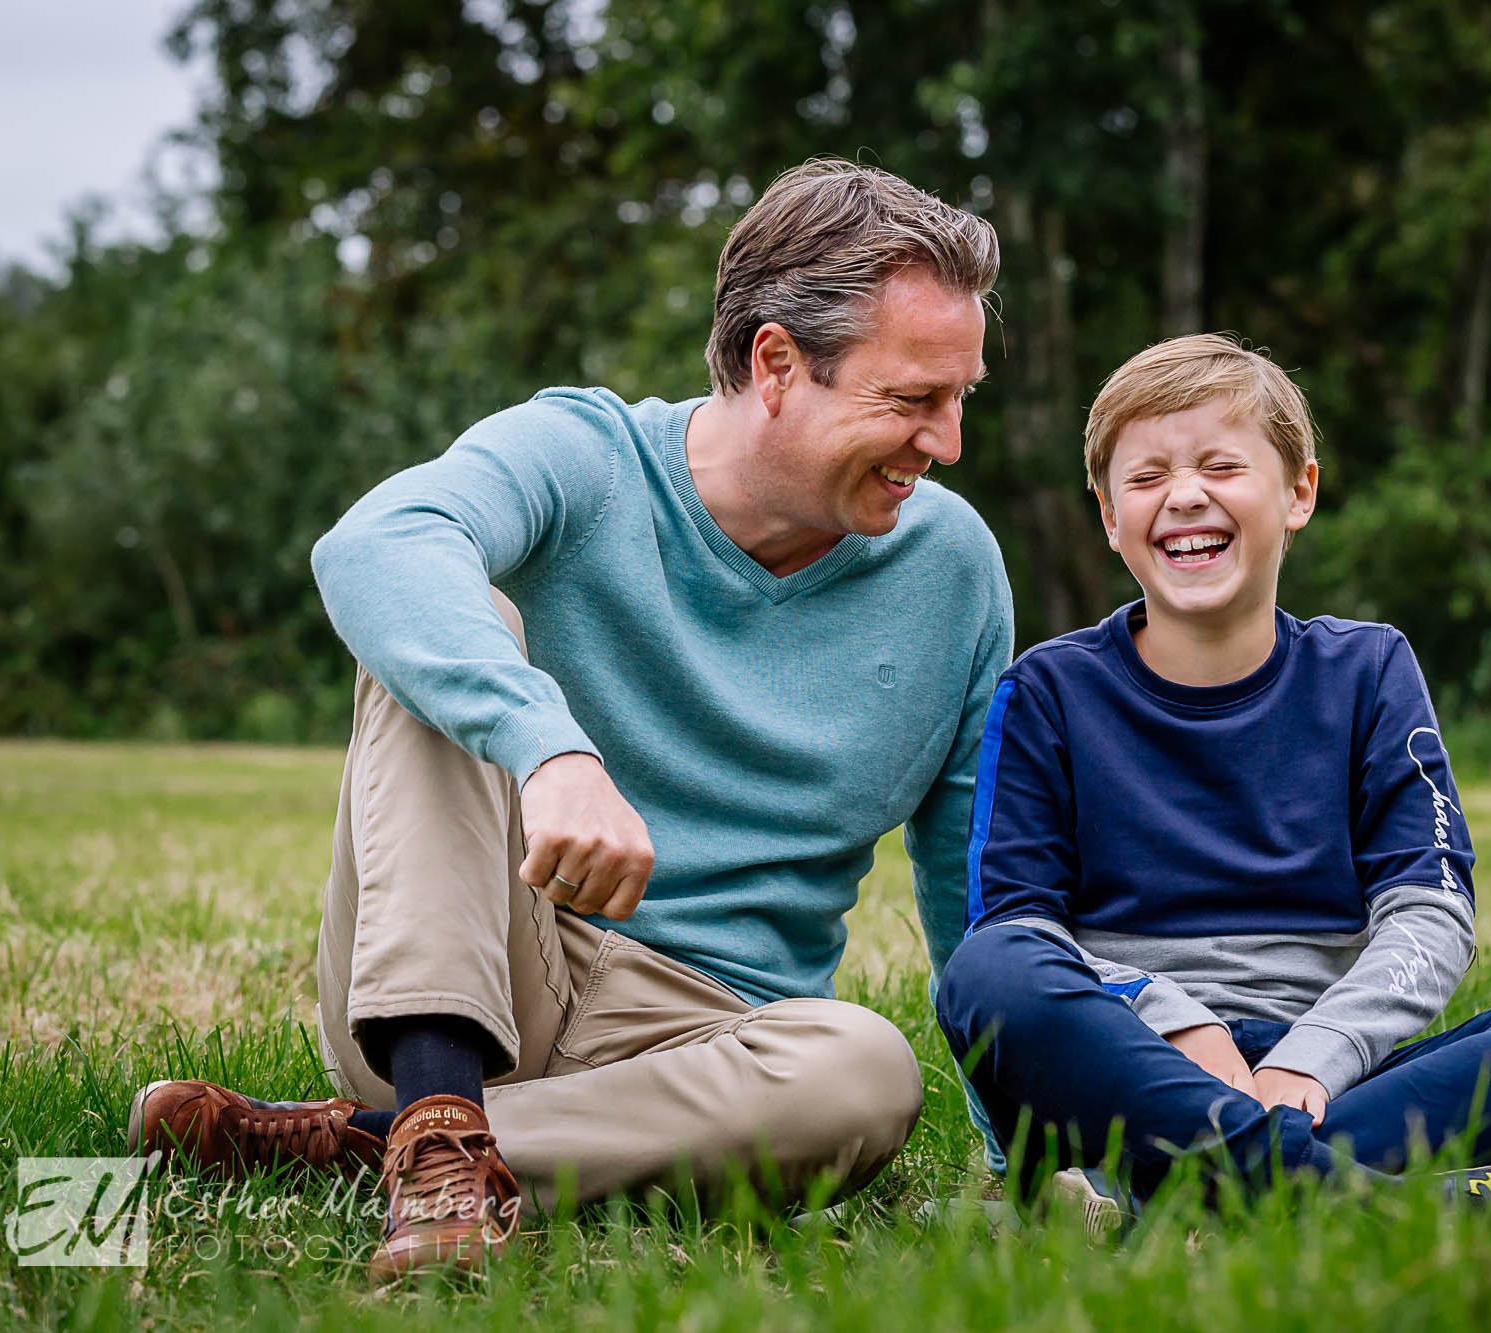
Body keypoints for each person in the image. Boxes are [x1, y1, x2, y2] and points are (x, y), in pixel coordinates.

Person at [128, 159, 1012, 1280]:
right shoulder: (586, 457)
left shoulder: (953, 569)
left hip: (712, 1047)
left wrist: (1014, 1155)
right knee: (450, 618)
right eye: (909, 401)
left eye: (958, 400)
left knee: (865, 1071)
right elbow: (374, 546)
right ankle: (435, 1110)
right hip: (490, 972)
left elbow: (973, 886)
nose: (944, 444)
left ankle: (390, 1156)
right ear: (776, 362)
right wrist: (547, 744)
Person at [936, 334, 1491, 1210]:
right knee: (987, 973)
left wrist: (1309, 1057)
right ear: (1108, 516)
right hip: (1119, 1070)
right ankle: (1384, 1199)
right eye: (1148, 476)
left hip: (1326, 1073)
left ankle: (1162, 1192)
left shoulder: (1368, 671)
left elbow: (1430, 910)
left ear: (1299, 493)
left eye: (1220, 466)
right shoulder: (1049, 689)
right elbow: (1018, 927)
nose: (1186, 496)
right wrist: (1178, 1021)